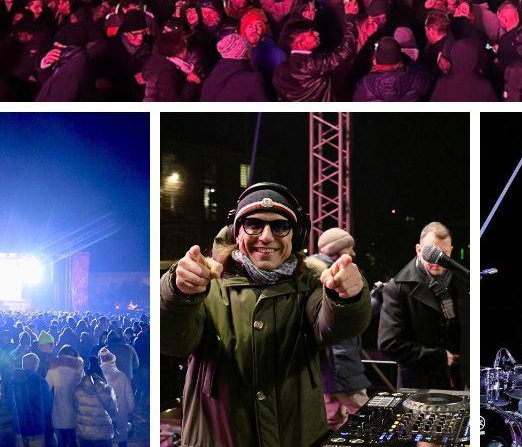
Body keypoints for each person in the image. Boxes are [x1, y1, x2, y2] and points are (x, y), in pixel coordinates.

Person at [161, 182, 370, 446]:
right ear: (237, 233)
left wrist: (348, 296)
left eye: (280, 226)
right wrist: (178, 295)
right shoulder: (207, 284)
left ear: (295, 235)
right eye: (254, 224)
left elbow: (336, 327)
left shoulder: (312, 285)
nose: (266, 236)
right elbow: (172, 341)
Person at [378, 222, 468, 390]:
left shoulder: (460, 283)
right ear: (419, 250)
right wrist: (439, 357)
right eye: (431, 254)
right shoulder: (397, 288)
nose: (437, 261)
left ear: (451, 251)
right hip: (419, 386)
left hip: (458, 382)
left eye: (443, 254)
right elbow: (389, 344)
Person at [307, 228, 371, 430]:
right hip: (339, 363)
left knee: (331, 417)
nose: (353, 254)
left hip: (328, 366)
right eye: (349, 249)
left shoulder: (310, 273)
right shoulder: (329, 276)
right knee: (366, 415)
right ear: (337, 252)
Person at [0, 352, 53, 447]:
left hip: (19, 426)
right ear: (36, 365)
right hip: (36, 426)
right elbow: (47, 405)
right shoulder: (39, 381)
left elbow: (8, 403)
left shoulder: (13, 381)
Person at [45, 346, 84, 447]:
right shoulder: (78, 371)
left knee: (61, 442)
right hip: (76, 410)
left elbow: (46, 389)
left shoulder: (53, 371)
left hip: (59, 411)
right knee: (74, 441)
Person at [97, 350, 131, 447]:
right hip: (120, 407)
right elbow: (128, 393)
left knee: (107, 433)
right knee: (122, 432)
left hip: (104, 409)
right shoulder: (121, 375)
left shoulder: (97, 375)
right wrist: (131, 406)